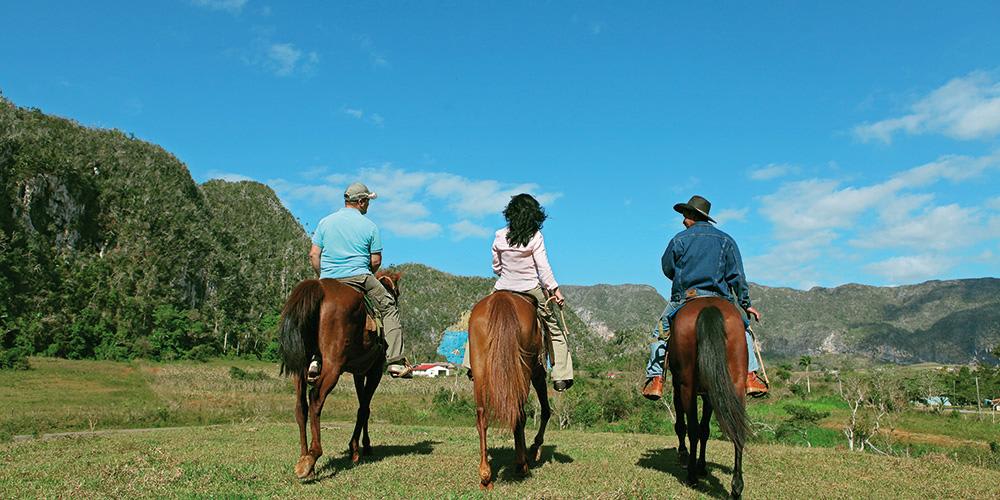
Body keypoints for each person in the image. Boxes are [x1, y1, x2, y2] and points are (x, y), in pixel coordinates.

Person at [642, 195, 768, 400]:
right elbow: (737, 276)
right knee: (743, 329)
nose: (683, 220)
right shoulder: (727, 240)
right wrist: (746, 305)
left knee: (661, 332)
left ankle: (656, 379)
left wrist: (683, 276)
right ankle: (750, 375)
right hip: (721, 297)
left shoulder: (679, 240)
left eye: (685, 215)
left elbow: (667, 268)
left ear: (693, 215)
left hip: (685, 297)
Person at [462, 193, 575, 391]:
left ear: (511, 214)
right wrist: (555, 290)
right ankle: (560, 376)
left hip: (503, 286)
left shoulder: (499, 235)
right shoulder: (535, 236)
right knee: (555, 329)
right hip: (530, 288)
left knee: (476, 320)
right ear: (534, 215)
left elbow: (496, 266)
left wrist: (505, 271)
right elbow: (543, 267)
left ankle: (471, 365)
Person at [307, 182, 410, 381]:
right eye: (368, 201)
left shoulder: (325, 222)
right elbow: (376, 260)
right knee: (389, 308)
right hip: (359, 277)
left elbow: (313, 255)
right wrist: (365, 272)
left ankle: (315, 358)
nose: (368, 205)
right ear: (361, 202)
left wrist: (324, 276)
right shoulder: (370, 226)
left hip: (327, 278)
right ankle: (396, 361)